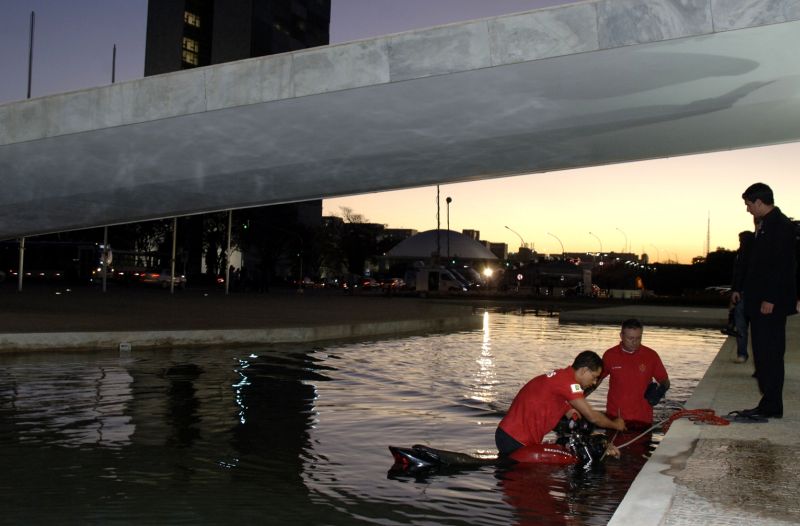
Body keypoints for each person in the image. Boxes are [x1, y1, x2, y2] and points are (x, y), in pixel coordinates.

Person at [731, 183, 797, 420]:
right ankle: (769, 402)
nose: (748, 209)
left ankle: (771, 405)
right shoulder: (766, 225)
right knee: (763, 354)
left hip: (769, 305)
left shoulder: (780, 227)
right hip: (759, 303)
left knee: (769, 354)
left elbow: (780, 267)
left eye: (749, 204)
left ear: (759, 202)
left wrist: (770, 298)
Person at [495, 350, 625, 458]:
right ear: (584, 370)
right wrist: (615, 425)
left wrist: (571, 413)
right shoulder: (569, 384)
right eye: (594, 377)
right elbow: (593, 417)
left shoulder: (561, 376)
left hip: (508, 435)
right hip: (515, 440)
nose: (595, 382)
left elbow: (562, 405)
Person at [595, 319, 670, 428]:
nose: (634, 342)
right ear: (621, 335)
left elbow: (665, 380)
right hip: (615, 418)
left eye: (638, 338)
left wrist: (660, 390)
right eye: (630, 338)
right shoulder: (610, 355)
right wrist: (578, 397)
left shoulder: (651, 355)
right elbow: (596, 380)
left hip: (643, 419)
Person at [729, 229, 755, 363]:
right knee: (741, 327)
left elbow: (738, 274)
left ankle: (742, 354)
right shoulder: (741, 255)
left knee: (742, 327)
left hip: (747, 295)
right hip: (742, 294)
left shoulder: (746, 255)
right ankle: (742, 354)